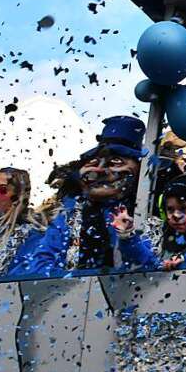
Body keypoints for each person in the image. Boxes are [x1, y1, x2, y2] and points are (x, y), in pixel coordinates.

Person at [19, 116, 146, 276]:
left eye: (115, 162)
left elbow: (145, 269)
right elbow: (41, 263)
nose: (99, 170)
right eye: (95, 162)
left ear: (138, 171)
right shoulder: (71, 212)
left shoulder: (144, 211)